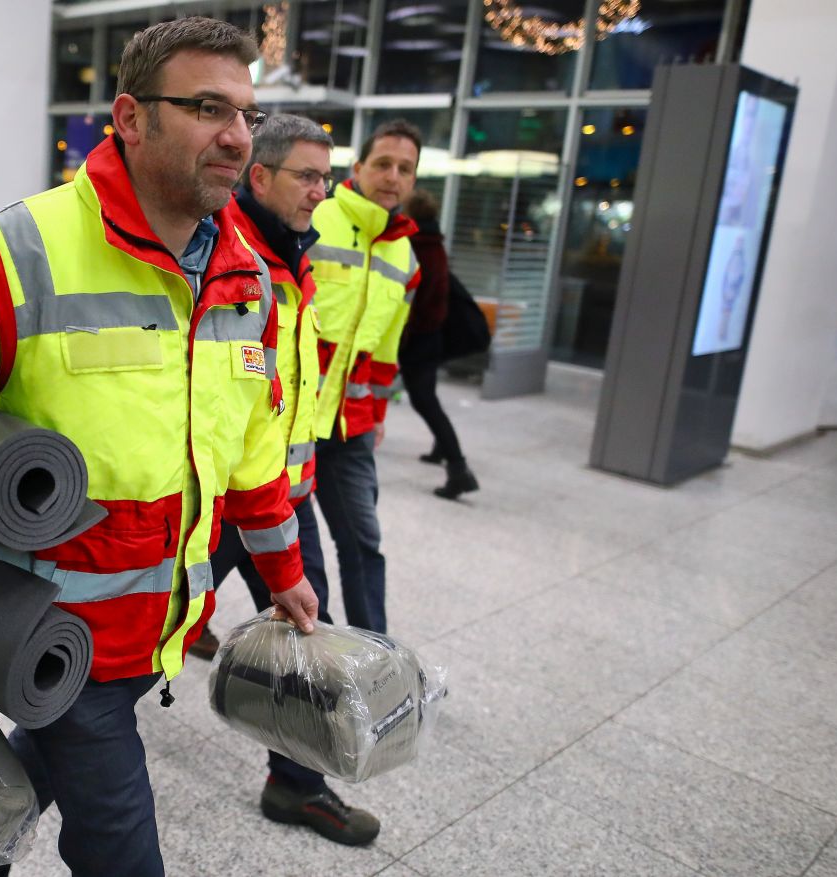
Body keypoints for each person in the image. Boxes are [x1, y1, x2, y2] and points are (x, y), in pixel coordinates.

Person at [0, 18, 319, 877]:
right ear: (131, 118)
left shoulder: (247, 273)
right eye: (209, 107)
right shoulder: (17, 249)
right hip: (53, 625)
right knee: (121, 847)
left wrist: (282, 572)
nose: (237, 137)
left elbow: (251, 450)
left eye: (246, 114)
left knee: (26, 776)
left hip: (163, 627)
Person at [192, 113, 381, 845]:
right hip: (214, 507)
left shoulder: (294, 257)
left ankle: (295, 783)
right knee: (139, 654)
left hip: (281, 498)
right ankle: (22, 780)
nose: (320, 192)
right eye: (306, 176)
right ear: (259, 176)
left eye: (325, 177)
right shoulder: (225, 259)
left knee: (308, 636)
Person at [308, 119, 422, 634]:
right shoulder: (315, 217)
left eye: (405, 168)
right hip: (292, 418)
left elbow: (387, 347)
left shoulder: (406, 255)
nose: (392, 176)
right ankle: (181, 629)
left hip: (351, 428)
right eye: (382, 163)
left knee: (362, 544)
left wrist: (376, 412)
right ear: (357, 169)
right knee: (247, 540)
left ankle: (375, 659)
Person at [399, 189, 479, 500]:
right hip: (430, 338)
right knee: (427, 398)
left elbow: (419, 302)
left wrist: (405, 337)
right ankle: (440, 450)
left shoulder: (416, 247)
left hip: (419, 340)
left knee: (425, 401)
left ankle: (459, 469)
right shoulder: (436, 244)